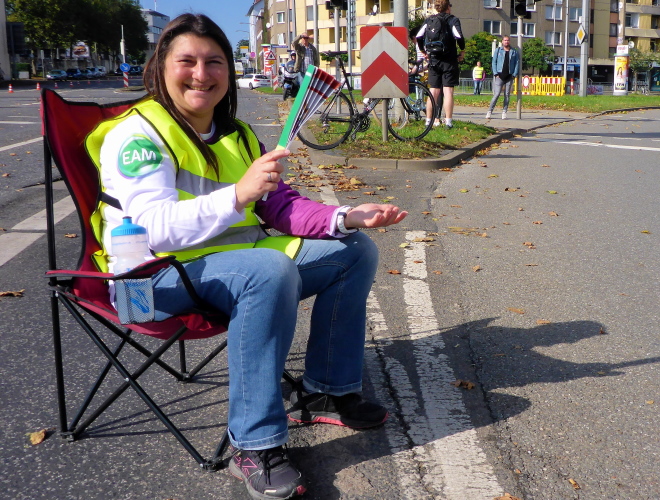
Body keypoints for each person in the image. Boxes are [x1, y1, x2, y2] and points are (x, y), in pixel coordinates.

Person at [85, 13, 407, 500]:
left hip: (233, 266)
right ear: (160, 67)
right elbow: (154, 226)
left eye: (214, 61)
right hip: (149, 281)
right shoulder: (137, 136)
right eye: (187, 61)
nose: (201, 74)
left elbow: (281, 206)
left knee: (354, 252)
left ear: (228, 71)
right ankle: (254, 444)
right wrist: (238, 194)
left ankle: (325, 390)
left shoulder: (235, 134)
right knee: (267, 269)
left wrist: (347, 216)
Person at [415, 0, 465, 129]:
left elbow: (419, 36)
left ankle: (428, 121)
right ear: (448, 7)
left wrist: (423, 51)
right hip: (449, 60)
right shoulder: (452, 20)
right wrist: (462, 50)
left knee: (433, 91)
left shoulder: (429, 20)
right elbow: (459, 36)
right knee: (448, 92)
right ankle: (448, 121)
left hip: (434, 60)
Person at [486, 35, 519, 120]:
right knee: (496, 94)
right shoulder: (498, 50)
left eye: (508, 40)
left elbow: (517, 63)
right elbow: (494, 62)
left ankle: (504, 112)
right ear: (502, 41)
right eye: (505, 40)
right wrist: (495, 73)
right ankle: (489, 111)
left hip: (509, 76)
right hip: (499, 76)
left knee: (507, 95)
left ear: (509, 41)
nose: (506, 42)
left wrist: (514, 74)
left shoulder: (513, 51)